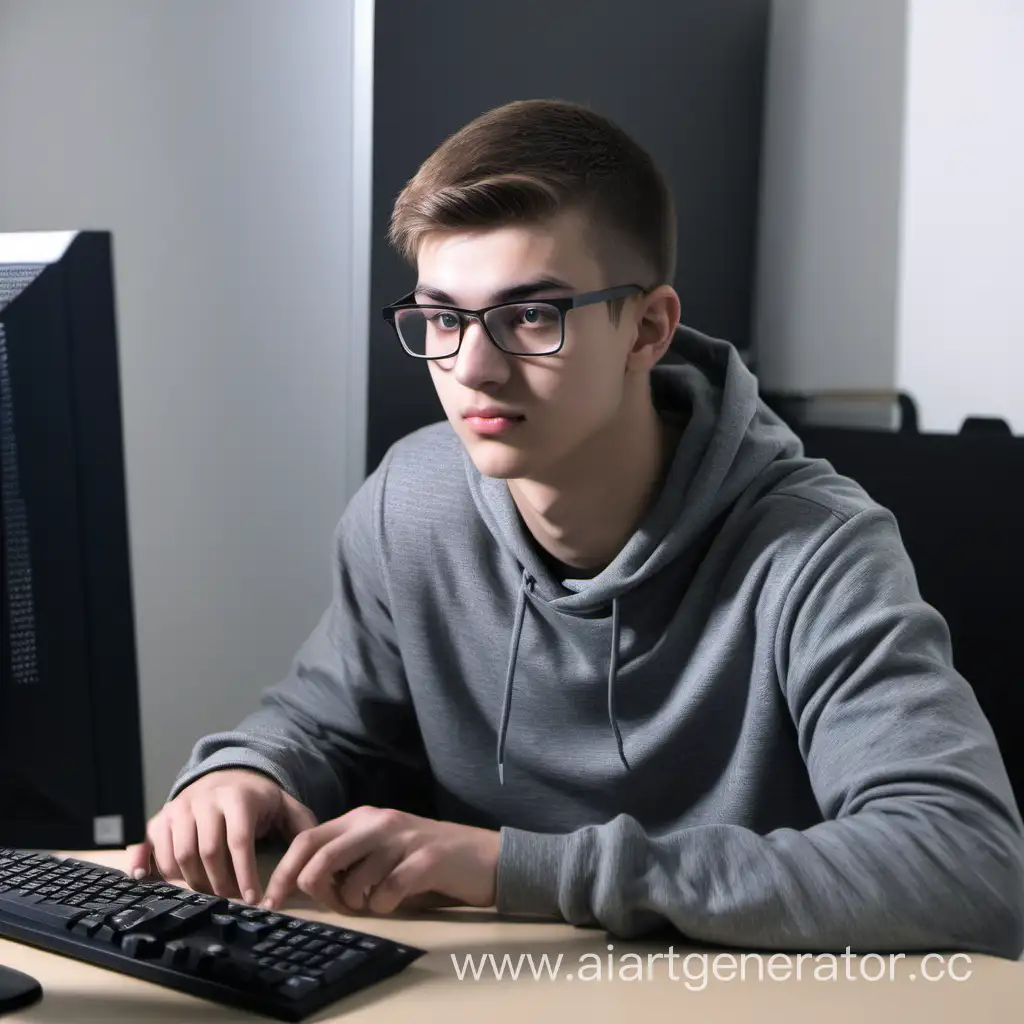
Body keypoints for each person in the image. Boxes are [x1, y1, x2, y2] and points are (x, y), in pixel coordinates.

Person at [128, 99, 1024, 957]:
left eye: (530, 315)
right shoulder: (412, 499)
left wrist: (525, 869)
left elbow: (968, 863)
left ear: (648, 329)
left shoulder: (815, 550)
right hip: (492, 990)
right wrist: (244, 772)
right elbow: (330, 721)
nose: (472, 368)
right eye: (442, 317)